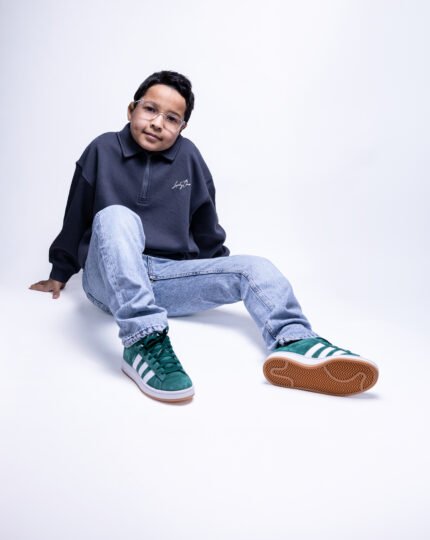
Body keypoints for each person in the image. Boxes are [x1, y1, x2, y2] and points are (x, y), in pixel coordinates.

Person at [29, 70, 379, 403]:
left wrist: (216, 273)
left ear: (182, 127)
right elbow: (76, 214)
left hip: (166, 277)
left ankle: (296, 342)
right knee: (116, 215)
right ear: (131, 109)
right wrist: (60, 271)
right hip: (109, 279)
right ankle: (143, 341)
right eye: (150, 109)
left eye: (171, 118)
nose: (157, 123)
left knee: (256, 266)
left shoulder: (189, 158)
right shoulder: (102, 149)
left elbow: (205, 223)